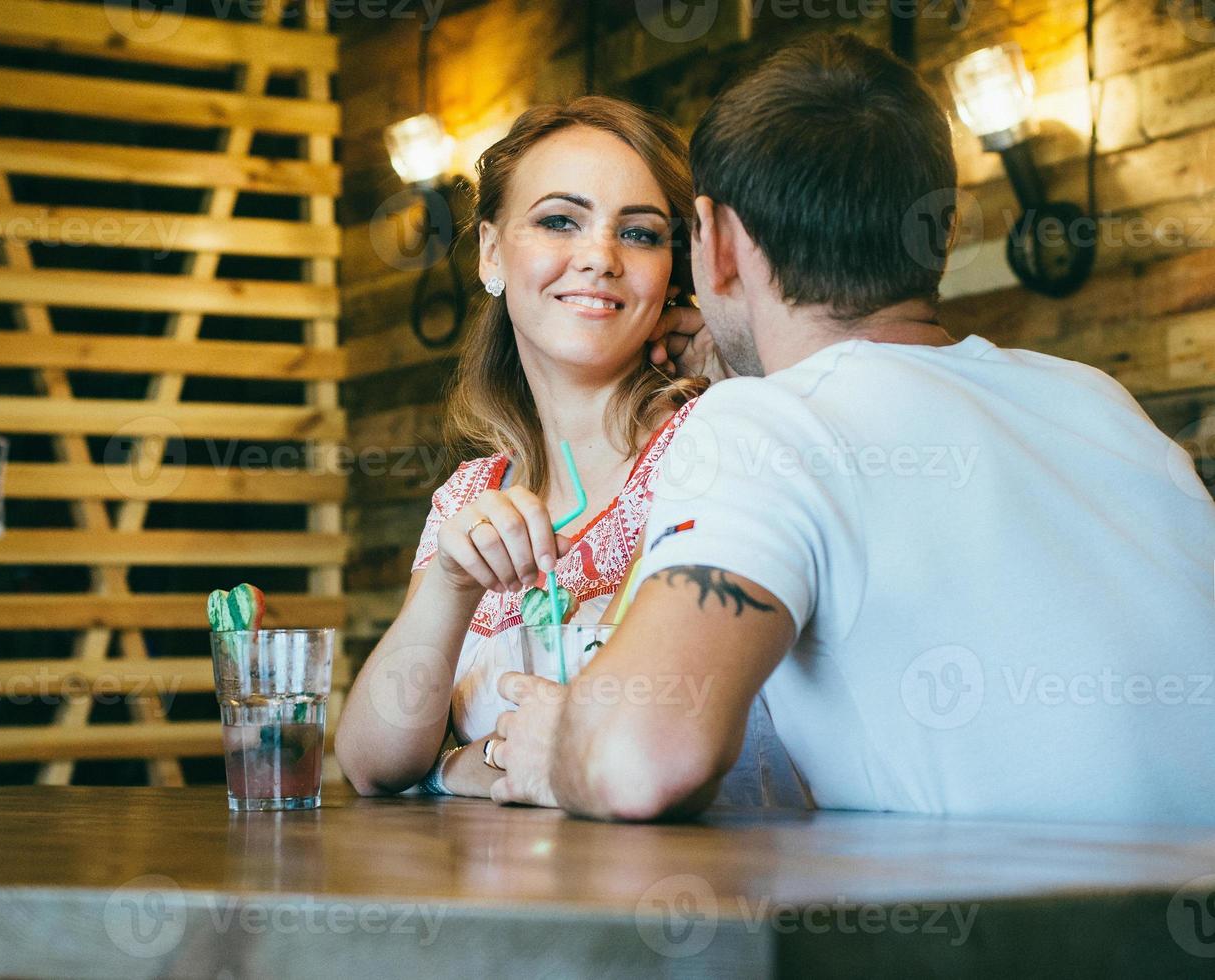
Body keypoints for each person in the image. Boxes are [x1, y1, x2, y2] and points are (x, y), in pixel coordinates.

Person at [487, 34, 1215, 825]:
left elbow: (639, 762)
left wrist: (561, 745)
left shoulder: (764, 425)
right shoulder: (1097, 401)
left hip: (1023, 943)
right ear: (943, 230)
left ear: (715, 242)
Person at [335, 96, 808, 807]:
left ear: (672, 269)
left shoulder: (719, 443)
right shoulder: (469, 495)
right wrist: (450, 585)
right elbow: (372, 764)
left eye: (641, 234)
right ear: (491, 251)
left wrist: (462, 766)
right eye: (560, 220)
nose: (599, 258)